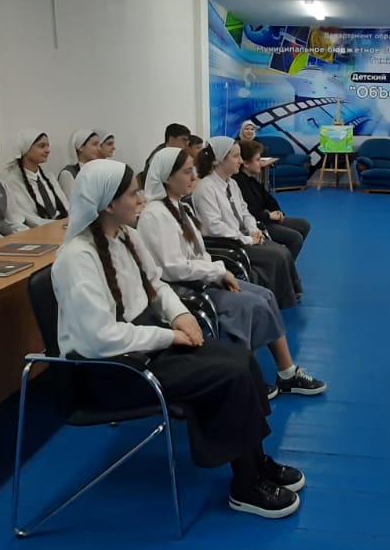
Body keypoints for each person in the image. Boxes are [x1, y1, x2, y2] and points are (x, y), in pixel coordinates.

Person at [51, 160, 305, 518]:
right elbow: (100, 339)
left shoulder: (125, 236)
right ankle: (245, 485)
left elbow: (156, 285)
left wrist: (180, 315)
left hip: (143, 346)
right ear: (108, 204)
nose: (141, 198)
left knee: (242, 361)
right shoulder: (77, 259)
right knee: (228, 374)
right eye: (132, 194)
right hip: (112, 370)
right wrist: (169, 335)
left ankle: (256, 459)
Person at [136, 148, 326, 397]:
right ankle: (246, 377)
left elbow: (199, 254)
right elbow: (174, 268)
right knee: (250, 304)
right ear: (166, 178)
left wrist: (215, 272)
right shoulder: (155, 215)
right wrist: (217, 272)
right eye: (186, 172)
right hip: (184, 288)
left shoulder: (180, 207)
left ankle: (287, 373)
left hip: (202, 278)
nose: (193, 177)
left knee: (266, 295)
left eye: (193, 170)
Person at [192, 137, 301, 309]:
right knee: (278, 255)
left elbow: (244, 211)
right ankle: (282, 302)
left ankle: (288, 296)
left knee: (283, 252)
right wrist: (247, 239)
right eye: (236, 156)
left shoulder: (232, 183)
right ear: (220, 160)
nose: (241, 161)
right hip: (229, 243)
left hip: (243, 236)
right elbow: (214, 227)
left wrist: (252, 229)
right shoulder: (206, 189)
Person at [233, 139, 311, 260]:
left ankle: (285, 263)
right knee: (295, 238)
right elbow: (250, 211)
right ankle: (284, 266)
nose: (261, 163)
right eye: (258, 160)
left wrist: (278, 212)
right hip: (258, 224)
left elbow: (268, 199)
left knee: (303, 225)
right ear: (246, 163)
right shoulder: (238, 183)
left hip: (267, 218)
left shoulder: (252, 180)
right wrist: (268, 215)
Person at [3, 129, 67, 226]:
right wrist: (58, 225)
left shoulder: (49, 176)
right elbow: (29, 218)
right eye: (41, 146)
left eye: (47, 145)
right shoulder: (12, 182)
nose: (47, 150)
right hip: (40, 230)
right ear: (26, 149)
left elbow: (65, 206)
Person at [58, 129, 102, 200]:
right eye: (94, 144)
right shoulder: (68, 174)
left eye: (99, 145)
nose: (99, 149)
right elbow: (72, 203)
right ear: (80, 147)